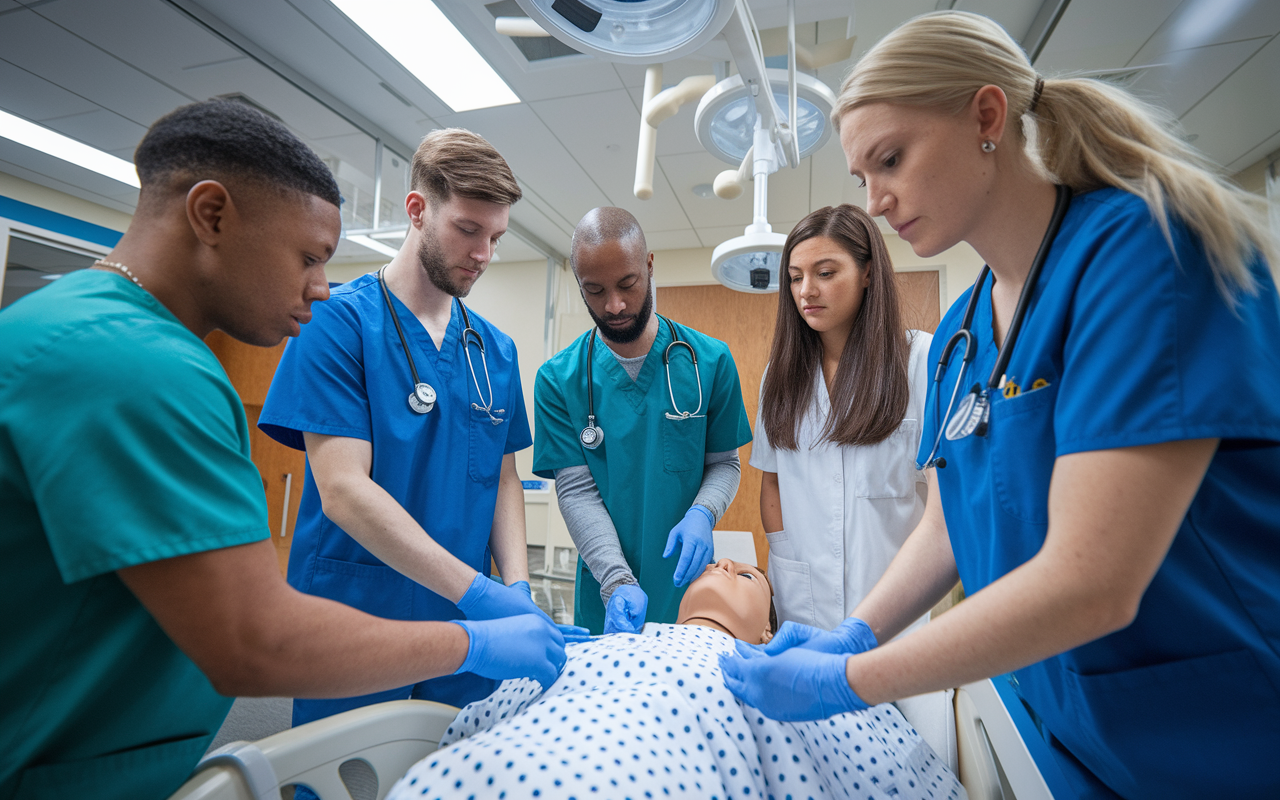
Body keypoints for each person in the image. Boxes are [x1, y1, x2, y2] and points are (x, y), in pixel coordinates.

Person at [720, 10, 1280, 799]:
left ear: (987, 116)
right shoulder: (959, 336)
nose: (876, 202)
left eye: (891, 159)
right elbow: (948, 521)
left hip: (1215, 725)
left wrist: (853, 676)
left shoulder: (1144, 252)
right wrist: (857, 629)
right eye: (861, 178)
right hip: (1068, 723)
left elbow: (1095, 581)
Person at [0, 101, 565, 800]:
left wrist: (506, 588)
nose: (320, 287)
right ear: (211, 215)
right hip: (59, 759)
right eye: (307, 257)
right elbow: (257, 635)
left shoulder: (142, 349)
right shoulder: (132, 364)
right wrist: (475, 628)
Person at [259, 128, 580, 740]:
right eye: (467, 229)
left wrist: (515, 584)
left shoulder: (496, 350)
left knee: (455, 773)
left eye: (496, 237)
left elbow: (504, 475)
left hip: (474, 625)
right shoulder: (338, 322)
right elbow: (343, 490)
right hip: (357, 613)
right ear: (417, 210)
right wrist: (482, 595)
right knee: (339, 775)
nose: (484, 253)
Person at [386, 560, 964, 800]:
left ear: (768, 629)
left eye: (749, 572)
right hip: (481, 777)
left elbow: (891, 770)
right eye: (716, 562)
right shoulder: (596, 645)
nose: (726, 564)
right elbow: (479, 724)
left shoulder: (797, 677)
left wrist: (847, 675)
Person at [751, 203, 950, 758]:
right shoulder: (780, 377)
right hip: (805, 611)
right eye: (794, 277)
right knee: (814, 764)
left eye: (825, 272)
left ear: (867, 272)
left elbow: (944, 502)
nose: (805, 290)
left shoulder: (921, 361)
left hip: (897, 616)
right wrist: (785, 556)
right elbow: (771, 482)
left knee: (910, 765)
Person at [532, 207, 753, 635]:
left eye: (628, 284)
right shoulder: (558, 380)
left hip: (690, 592)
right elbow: (576, 490)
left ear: (649, 266)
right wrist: (615, 580)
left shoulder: (709, 361)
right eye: (594, 290)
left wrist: (703, 514)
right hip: (607, 594)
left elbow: (724, 463)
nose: (614, 305)